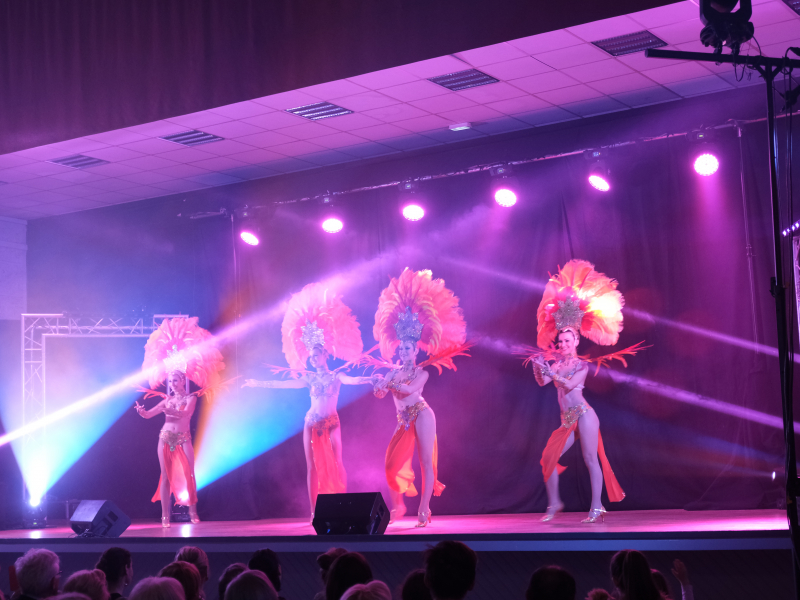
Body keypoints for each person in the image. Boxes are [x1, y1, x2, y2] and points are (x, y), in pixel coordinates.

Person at [242, 283, 373, 518]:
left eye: (316, 355)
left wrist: (370, 379)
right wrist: (256, 383)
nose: (313, 359)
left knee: (337, 461)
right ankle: (314, 511)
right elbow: (282, 384)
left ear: (325, 354)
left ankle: (343, 503)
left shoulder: (336, 376)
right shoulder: (308, 378)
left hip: (332, 423)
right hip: (311, 423)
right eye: (310, 357)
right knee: (312, 467)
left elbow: (353, 380)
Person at [529, 260, 632, 523]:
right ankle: (554, 503)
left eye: (567, 340)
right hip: (567, 420)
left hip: (584, 414)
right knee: (548, 458)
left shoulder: (580, 366)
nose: (562, 344)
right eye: (560, 341)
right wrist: (539, 368)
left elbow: (568, 385)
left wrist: (550, 372)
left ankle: (596, 506)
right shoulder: (556, 364)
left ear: (576, 340)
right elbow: (543, 382)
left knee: (590, 458)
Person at [372, 269, 469, 527]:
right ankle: (399, 505)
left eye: (408, 348)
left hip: (422, 414)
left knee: (426, 462)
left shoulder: (422, 373)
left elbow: (409, 391)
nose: (403, 351)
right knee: (391, 464)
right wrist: (378, 385)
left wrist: (389, 383)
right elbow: (381, 393)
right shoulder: (392, 372)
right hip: (403, 420)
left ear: (415, 350)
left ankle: (424, 510)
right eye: (401, 348)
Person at [136, 317, 225, 527]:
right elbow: (149, 415)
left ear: (182, 381)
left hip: (184, 438)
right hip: (165, 438)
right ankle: (165, 516)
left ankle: (193, 512)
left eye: (175, 380)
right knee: (165, 477)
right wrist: (142, 412)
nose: (172, 384)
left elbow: (184, 415)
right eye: (170, 381)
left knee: (189, 474)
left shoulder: (191, 398)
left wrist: (170, 411)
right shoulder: (166, 400)